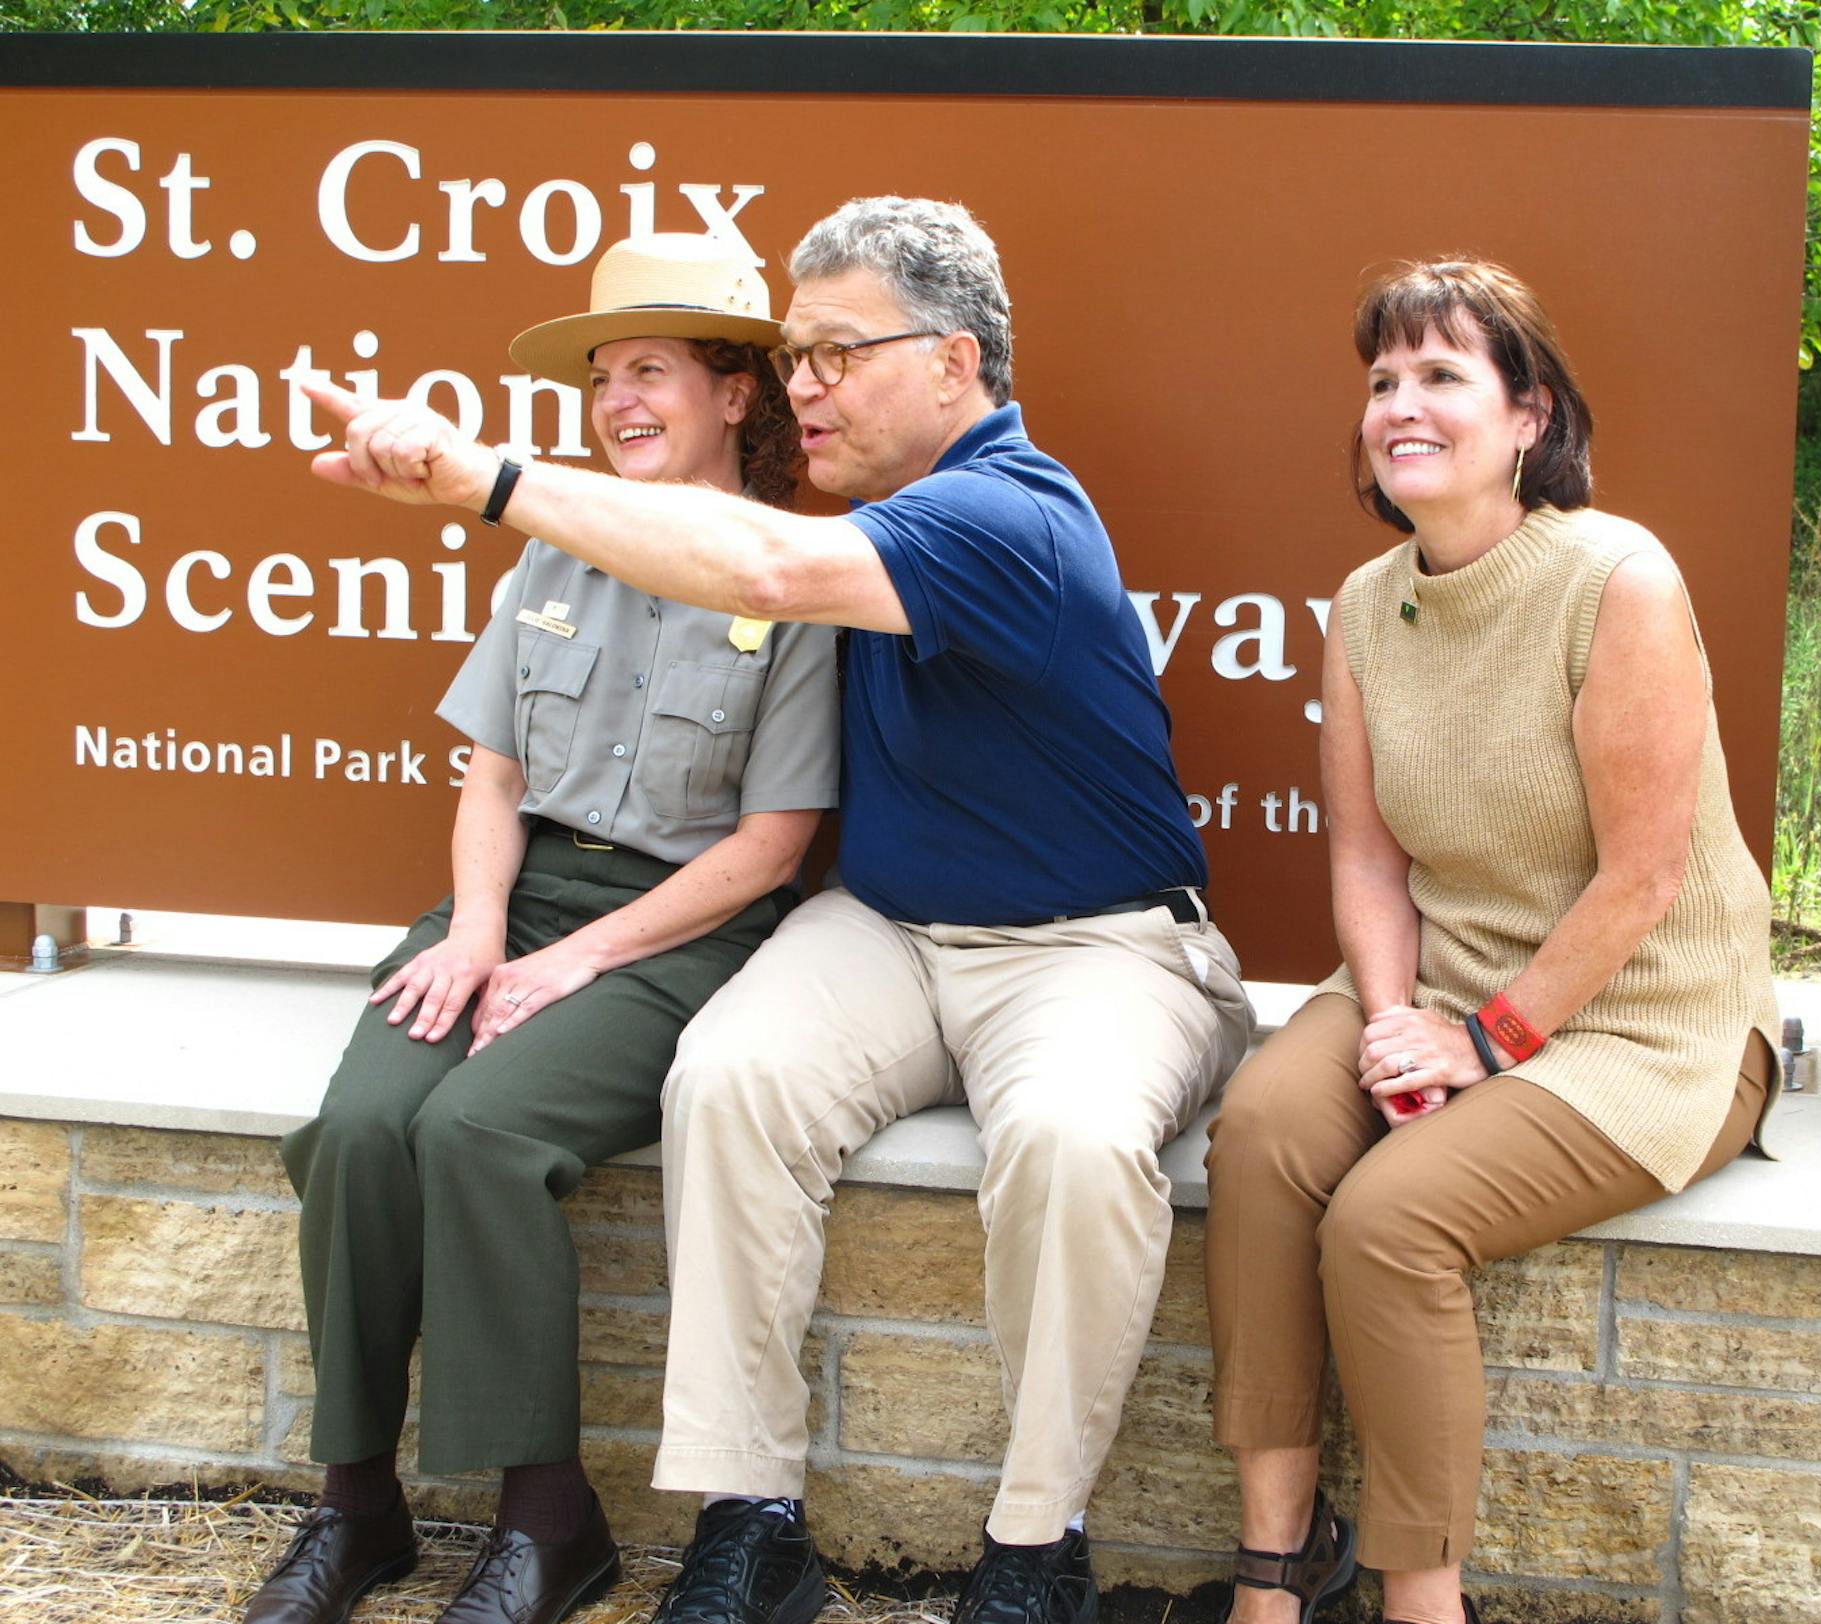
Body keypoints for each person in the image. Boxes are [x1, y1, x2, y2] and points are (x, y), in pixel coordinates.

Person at [300, 195, 1256, 1624]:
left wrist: (475, 472)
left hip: (1093, 943)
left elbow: (754, 571)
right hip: (889, 930)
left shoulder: (1006, 511)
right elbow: (688, 578)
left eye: (834, 353)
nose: (803, 384)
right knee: (731, 1079)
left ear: (955, 361)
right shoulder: (863, 521)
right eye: (792, 355)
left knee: (1066, 1141)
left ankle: (1035, 1547)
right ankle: (753, 1524)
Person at [248, 234, 842, 1624]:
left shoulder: (791, 572)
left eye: (655, 370)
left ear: (737, 395)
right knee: (357, 1129)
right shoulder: (551, 553)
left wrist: (574, 959)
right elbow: (495, 777)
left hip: (675, 936)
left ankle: (547, 1517)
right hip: (511, 906)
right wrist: (474, 933)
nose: (620, 399)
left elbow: (772, 847)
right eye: (604, 375)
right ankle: (356, 1504)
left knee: (477, 1132)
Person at [1202, 259, 1781, 1624]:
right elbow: (1366, 856)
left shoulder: (1614, 580)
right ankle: (1279, 1565)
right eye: (1383, 382)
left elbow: (1644, 881)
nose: (1402, 404)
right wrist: (1399, 1025)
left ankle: (1423, 1595)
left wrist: (1483, 1045)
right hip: (1445, 979)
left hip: (1648, 1018)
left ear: (1528, 418)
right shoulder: (1363, 605)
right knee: (1267, 1132)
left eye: (1443, 375)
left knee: (1393, 1223)